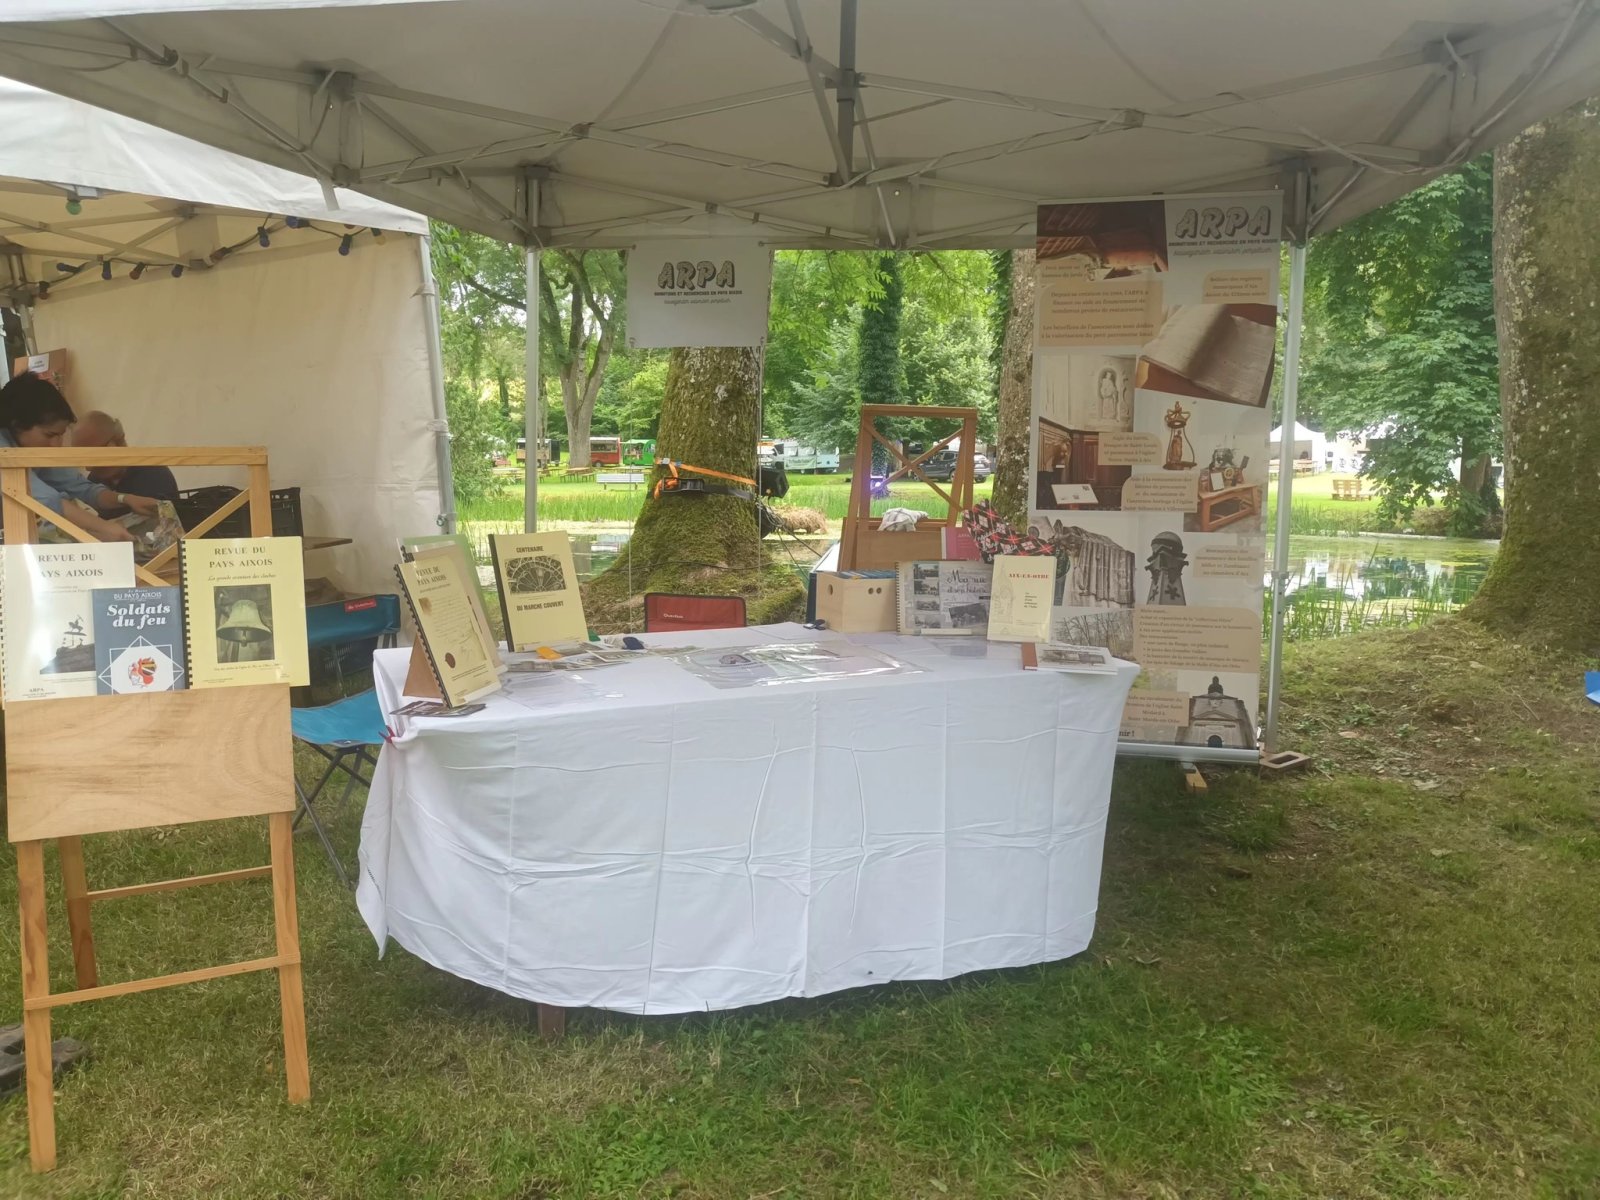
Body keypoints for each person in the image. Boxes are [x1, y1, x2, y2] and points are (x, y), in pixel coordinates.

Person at [0, 374, 159, 543]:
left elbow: (80, 487)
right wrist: (104, 528)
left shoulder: (36, 450)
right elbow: (45, 499)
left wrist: (126, 499)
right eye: (49, 435)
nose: (56, 444)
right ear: (17, 426)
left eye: (61, 435)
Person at [69, 410, 179, 518]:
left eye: (94, 458)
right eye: (83, 460)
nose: (88, 468)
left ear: (118, 442)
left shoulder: (154, 475)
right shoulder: (95, 478)